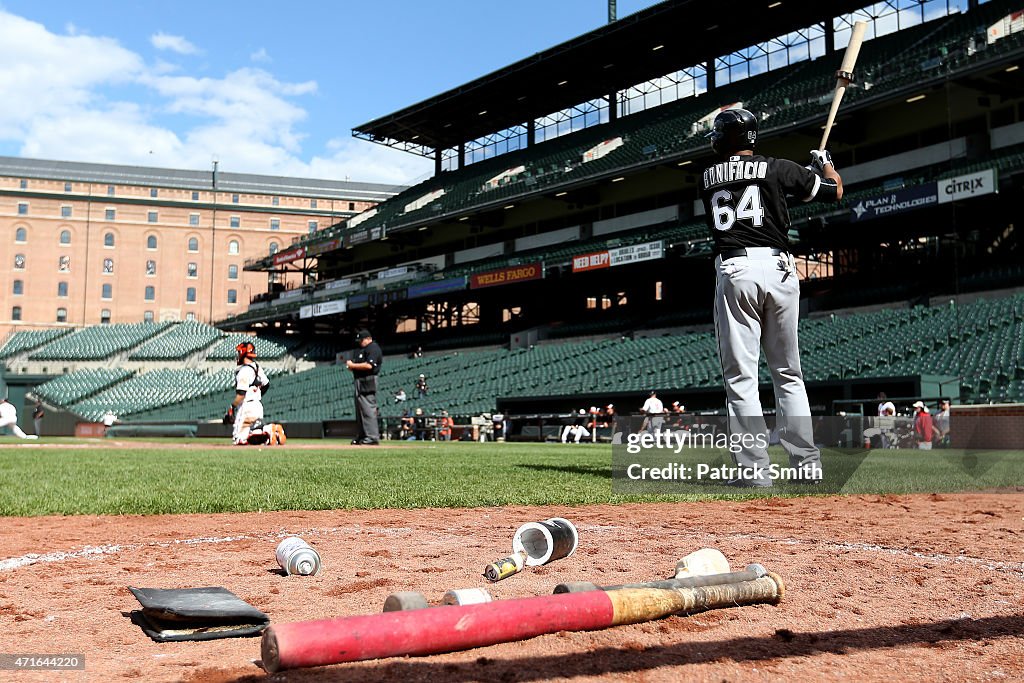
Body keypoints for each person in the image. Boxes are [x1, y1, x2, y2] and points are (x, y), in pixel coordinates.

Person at [700, 107, 842, 487]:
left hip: (737, 269)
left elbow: (754, 194)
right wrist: (822, 166)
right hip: (781, 270)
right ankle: (806, 465)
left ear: (724, 139)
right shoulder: (778, 167)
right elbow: (833, 191)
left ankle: (754, 471)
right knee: (788, 373)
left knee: (741, 378)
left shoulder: (708, 177)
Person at [226, 341, 270, 445]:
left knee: (238, 440)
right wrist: (256, 394)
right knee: (252, 435)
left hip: (247, 408)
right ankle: (266, 431)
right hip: (258, 406)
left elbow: (241, 395)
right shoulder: (257, 368)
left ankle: (269, 431)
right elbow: (266, 385)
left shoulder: (244, 371)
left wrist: (232, 407)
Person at [346, 329, 383, 445]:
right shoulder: (362, 349)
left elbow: (369, 365)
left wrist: (353, 365)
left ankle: (372, 437)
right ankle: (362, 436)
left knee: (367, 410)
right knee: (360, 410)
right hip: (359, 381)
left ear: (368, 339)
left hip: (368, 380)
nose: (360, 342)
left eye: (361, 340)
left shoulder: (373, 348)